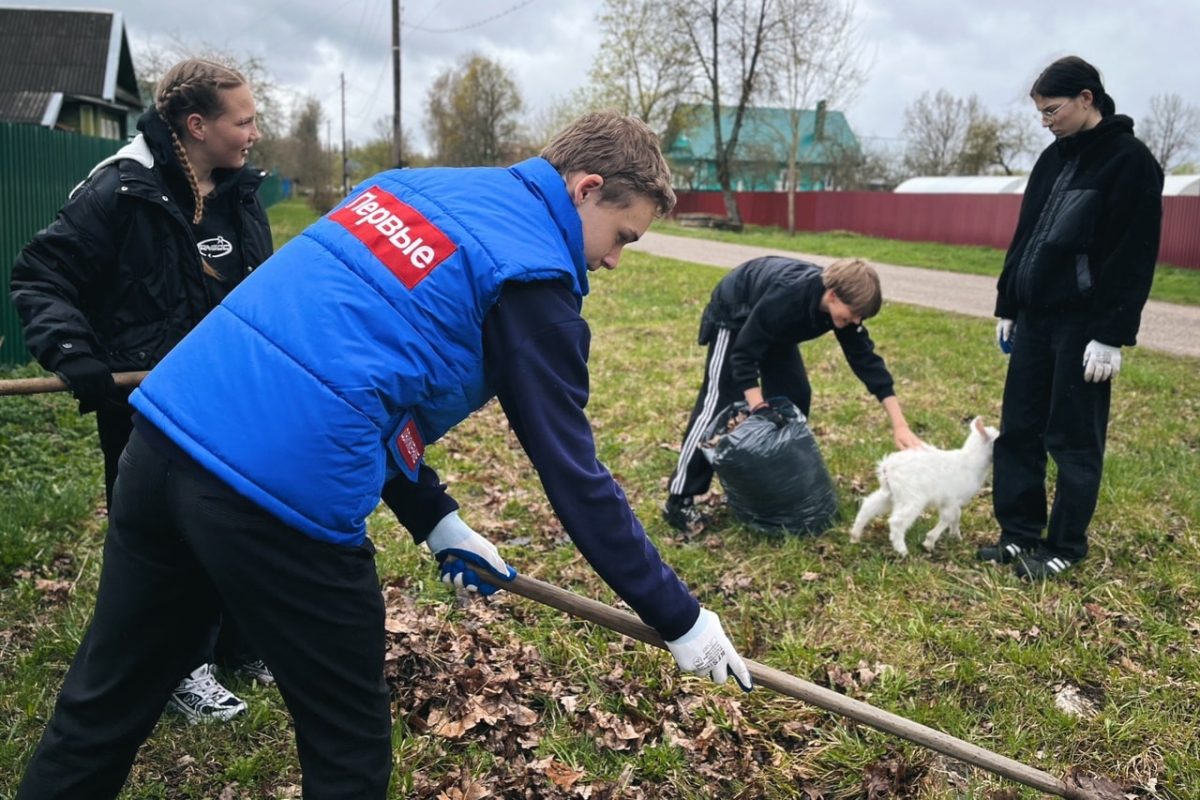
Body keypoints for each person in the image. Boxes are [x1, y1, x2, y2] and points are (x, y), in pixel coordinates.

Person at [15, 110, 752, 800]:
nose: (616, 261)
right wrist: (679, 616)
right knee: (348, 738)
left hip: (165, 438)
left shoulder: (409, 188)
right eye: (622, 235)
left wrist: (435, 518)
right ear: (584, 189)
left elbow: (350, 375)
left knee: (105, 699)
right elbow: (575, 475)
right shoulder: (533, 279)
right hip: (275, 498)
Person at [9, 58, 275, 724]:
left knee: (241, 522)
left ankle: (242, 643)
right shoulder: (120, 190)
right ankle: (181, 668)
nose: (254, 133)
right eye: (242, 121)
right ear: (196, 125)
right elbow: (41, 274)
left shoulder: (238, 192)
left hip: (228, 395)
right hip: (148, 407)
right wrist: (74, 351)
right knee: (168, 543)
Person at [979, 56, 1163, 580]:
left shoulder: (1130, 162)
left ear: (1087, 98)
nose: (1046, 120)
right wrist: (1008, 304)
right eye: (1039, 112)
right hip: (1035, 320)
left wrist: (1112, 334)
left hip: (1085, 328)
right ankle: (1018, 535)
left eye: (1052, 109)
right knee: (1020, 430)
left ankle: (1064, 546)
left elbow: (1135, 253)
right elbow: (1026, 235)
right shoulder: (1051, 159)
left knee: (1073, 438)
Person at [663, 255, 925, 532]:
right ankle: (679, 499)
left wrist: (900, 424)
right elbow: (743, 355)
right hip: (737, 314)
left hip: (774, 327)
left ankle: (775, 489)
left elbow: (866, 362)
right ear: (833, 295)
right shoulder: (787, 297)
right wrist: (758, 406)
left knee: (794, 396)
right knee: (718, 403)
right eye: (853, 314)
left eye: (861, 316)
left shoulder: (843, 313)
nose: (856, 320)